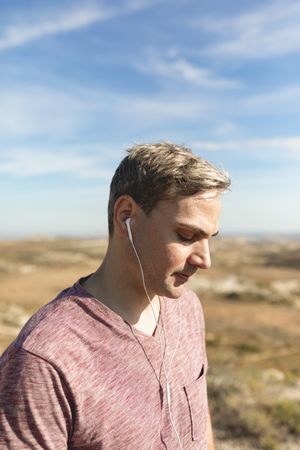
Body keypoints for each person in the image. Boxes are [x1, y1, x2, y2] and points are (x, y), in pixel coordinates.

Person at [0, 142, 230, 449]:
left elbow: (199, 425)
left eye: (209, 239)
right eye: (187, 236)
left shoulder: (188, 307)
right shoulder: (45, 359)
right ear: (125, 216)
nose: (205, 260)